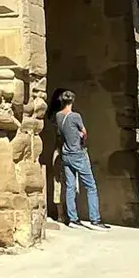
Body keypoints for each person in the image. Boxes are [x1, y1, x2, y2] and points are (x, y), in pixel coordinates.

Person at [53, 90, 108, 229]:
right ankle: (95, 219)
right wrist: (79, 135)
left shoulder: (58, 116)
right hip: (77, 154)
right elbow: (84, 133)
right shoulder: (75, 116)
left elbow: (61, 133)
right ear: (72, 101)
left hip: (65, 154)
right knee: (91, 186)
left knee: (70, 186)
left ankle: (73, 219)